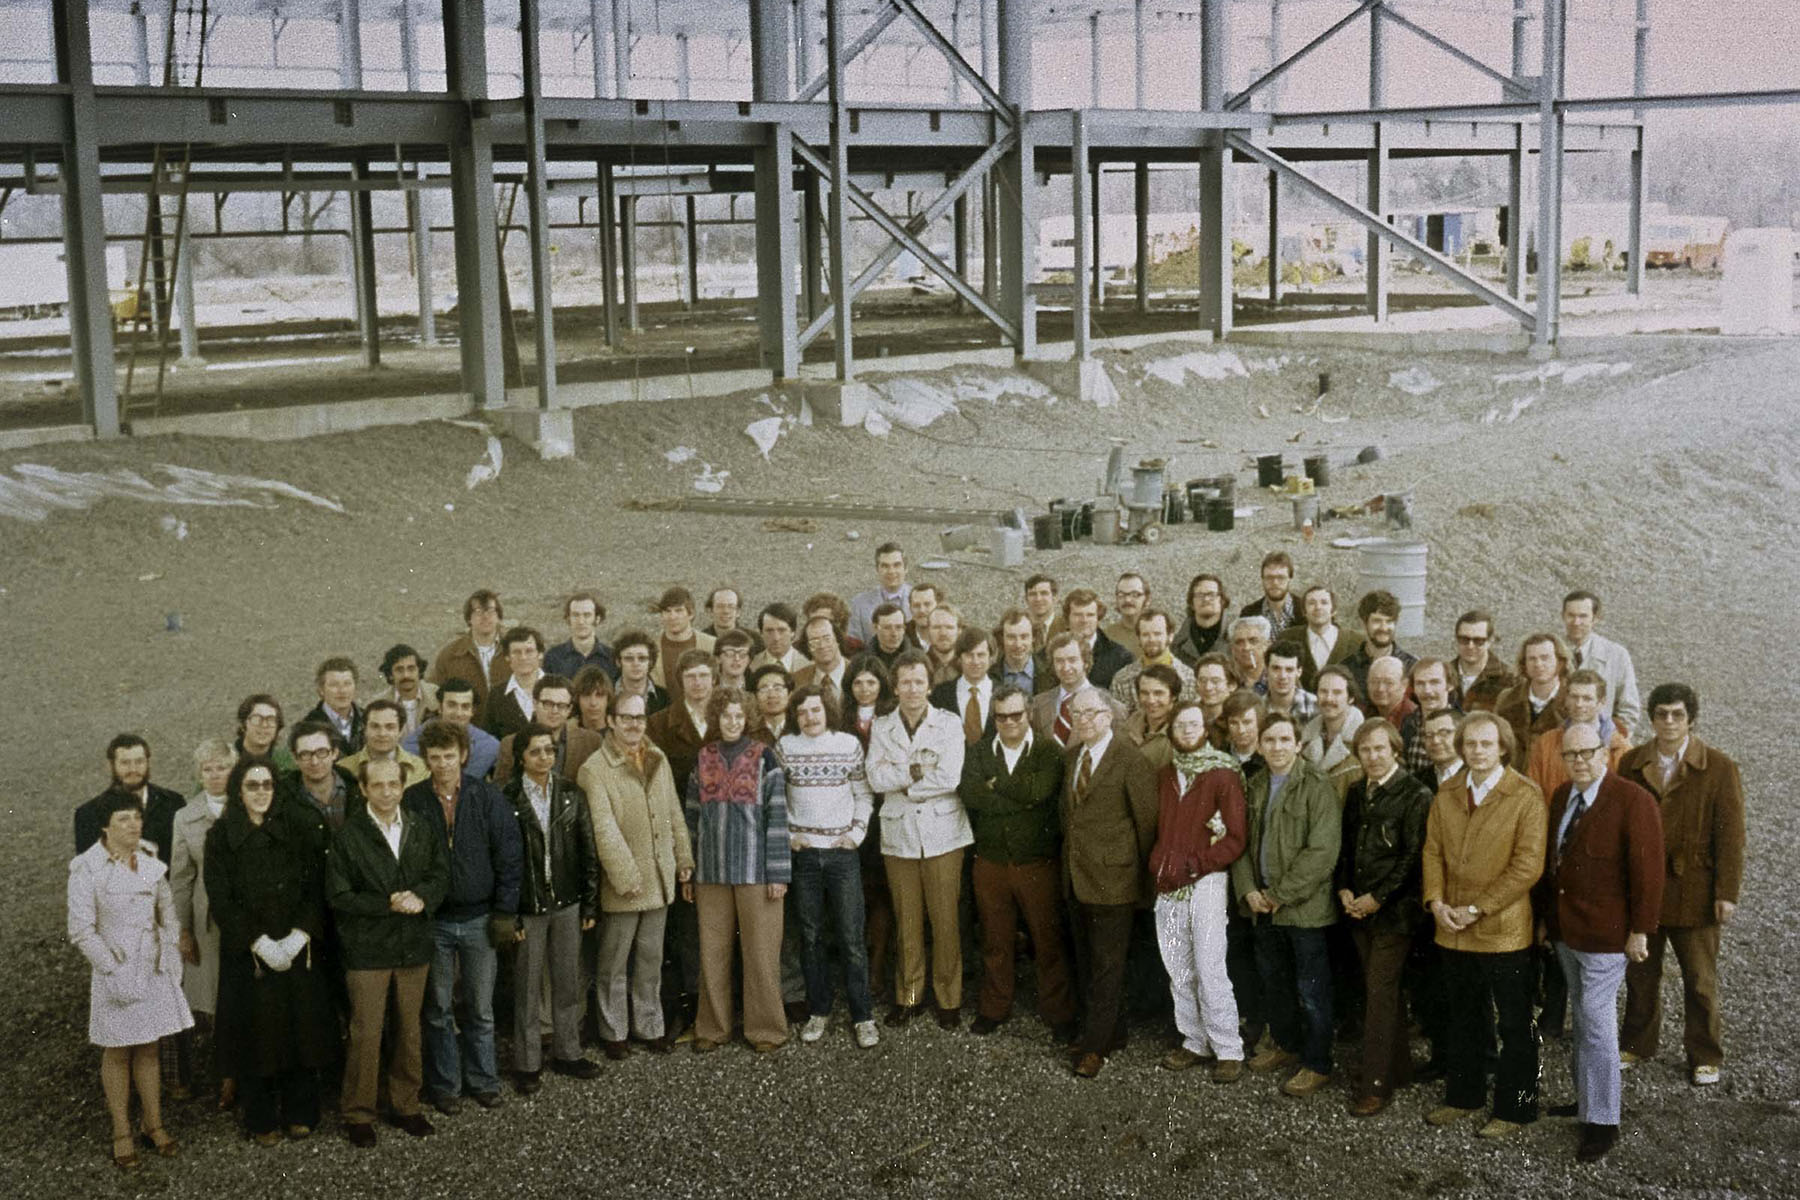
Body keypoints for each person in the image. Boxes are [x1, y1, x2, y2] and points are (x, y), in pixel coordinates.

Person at [1534, 722, 1663, 1163]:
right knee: (1583, 1017)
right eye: (1571, 756)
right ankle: (1586, 1101)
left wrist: (1640, 930)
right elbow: (1555, 865)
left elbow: (1648, 873)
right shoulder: (1560, 797)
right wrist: (1546, 923)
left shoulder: (1633, 801)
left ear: (1606, 753)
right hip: (1568, 932)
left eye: (1588, 753)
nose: (1580, 762)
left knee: (1595, 1020)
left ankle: (1603, 1120)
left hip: (1609, 937)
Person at [1421, 712, 1545, 1140]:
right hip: (1452, 925)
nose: (1477, 751)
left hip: (1503, 929)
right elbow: (1432, 850)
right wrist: (1436, 902)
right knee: (1463, 1018)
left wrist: (1478, 909)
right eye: (1470, 744)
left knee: (1514, 1023)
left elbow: (1527, 866)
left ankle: (1516, 1108)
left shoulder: (1525, 796)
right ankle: (1464, 1096)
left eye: (1486, 744)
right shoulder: (1447, 793)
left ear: (1503, 748)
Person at [204, 756, 337, 1146]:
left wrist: (300, 934)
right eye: (252, 786)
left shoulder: (297, 827)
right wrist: (257, 942)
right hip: (250, 954)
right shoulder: (221, 836)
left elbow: (316, 886)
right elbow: (221, 898)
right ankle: (260, 1118)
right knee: (254, 1035)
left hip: (296, 947)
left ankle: (301, 1111)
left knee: (300, 1030)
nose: (261, 793)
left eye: (267, 785)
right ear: (238, 791)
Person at [1619, 683, 1745, 1087]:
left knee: (1700, 980)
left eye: (1677, 714)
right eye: (1661, 714)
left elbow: (1731, 836)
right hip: (1644, 892)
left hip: (1695, 891)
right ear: (1651, 718)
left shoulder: (1719, 767)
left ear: (1691, 718)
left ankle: (1705, 1054)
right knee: (1641, 975)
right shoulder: (1632, 763)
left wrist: (1727, 892)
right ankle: (1637, 1044)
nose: (1668, 722)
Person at [327, 757, 449, 1148]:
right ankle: (359, 1112)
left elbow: (440, 873)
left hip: (413, 947)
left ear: (402, 784)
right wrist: (387, 904)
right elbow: (339, 895)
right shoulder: (348, 837)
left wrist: (422, 897)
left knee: (409, 1030)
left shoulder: (419, 826)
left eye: (393, 784)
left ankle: (406, 1105)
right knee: (366, 1032)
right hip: (368, 951)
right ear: (363, 789)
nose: (386, 792)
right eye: (377, 785)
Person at [68, 791, 194, 1170]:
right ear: (105, 825)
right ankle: (121, 1131)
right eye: (123, 818)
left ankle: (152, 1124)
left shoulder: (151, 860)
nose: (133, 824)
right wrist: (110, 965)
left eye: (136, 817)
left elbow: (168, 911)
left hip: (152, 966)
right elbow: (80, 929)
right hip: (116, 970)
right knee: (118, 1049)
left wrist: (169, 948)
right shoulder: (87, 868)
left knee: (150, 1047)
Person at [405, 720, 522, 1113]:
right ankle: (446, 1085)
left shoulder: (486, 797)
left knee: (480, 1006)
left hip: (479, 918)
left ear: (464, 755)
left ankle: (484, 1081)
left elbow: (509, 854)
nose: (442, 765)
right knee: (438, 1008)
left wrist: (505, 911)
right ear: (425, 759)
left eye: (449, 756)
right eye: (435, 758)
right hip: (434, 920)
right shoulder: (413, 800)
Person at [578, 692, 694, 1058]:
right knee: (614, 962)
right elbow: (603, 829)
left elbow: (673, 810)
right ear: (611, 720)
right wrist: (626, 877)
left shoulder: (656, 757)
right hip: (625, 884)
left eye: (639, 718)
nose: (633, 725)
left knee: (650, 958)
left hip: (659, 876)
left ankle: (650, 1025)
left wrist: (683, 857)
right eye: (625, 717)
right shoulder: (594, 769)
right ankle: (613, 1031)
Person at [1233, 711, 1341, 1099]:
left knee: (1311, 990)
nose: (1277, 747)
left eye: (1284, 740)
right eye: (1270, 741)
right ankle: (1285, 1043)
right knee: (1274, 982)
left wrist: (1279, 894)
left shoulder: (1316, 784)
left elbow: (1322, 851)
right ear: (1260, 746)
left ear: (1298, 744)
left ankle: (1316, 1063)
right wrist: (1248, 890)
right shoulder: (1256, 784)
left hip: (1303, 908)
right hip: (1262, 907)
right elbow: (1240, 841)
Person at [959, 684, 1074, 1041]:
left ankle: (1059, 1013)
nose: (1008, 722)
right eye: (1001, 716)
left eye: (1015, 715)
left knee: (1047, 939)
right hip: (990, 861)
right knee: (995, 938)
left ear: (1029, 714)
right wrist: (1011, 792)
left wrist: (997, 786)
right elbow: (972, 795)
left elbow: (1038, 793)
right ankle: (994, 1007)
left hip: (1036, 863)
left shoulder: (1048, 751)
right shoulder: (979, 751)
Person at [682, 688, 791, 1053]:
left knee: (760, 953)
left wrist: (778, 873)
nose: (732, 722)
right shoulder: (703, 757)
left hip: (756, 871)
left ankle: (766, 1030)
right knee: (712, 952)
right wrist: (689, 870)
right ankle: (712, 1028)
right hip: (711, 872)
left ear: (748, 719)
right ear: (716, 718)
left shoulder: (765, 758)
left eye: (738, 717)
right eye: (725, 716)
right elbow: (692, 818)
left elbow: (778, 817)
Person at [868, 653, 971, 1029]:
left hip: (944, 834)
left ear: (930, 684)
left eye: (919, 681)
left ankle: (949, 998)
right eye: (905, 682)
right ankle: (908, 996)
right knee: (907, 920)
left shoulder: (948, 723)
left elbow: (950, 777)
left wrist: (902, 784)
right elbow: (874, 779)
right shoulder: (882, 726)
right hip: (899, 837)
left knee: (945, 921)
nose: (912, 689)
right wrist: (914, 770)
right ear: (895, 687)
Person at [1335, 719, 1433, 1116]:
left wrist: (1378, 898)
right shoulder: (1359, 791)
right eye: (1365, 750)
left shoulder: (1415, 794)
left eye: (1379, 749)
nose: (1372, 757)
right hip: (1358, 908)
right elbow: (1347, 846)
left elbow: (1413, 858)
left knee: (1380, 993)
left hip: (1395, 913)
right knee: (1379, 991)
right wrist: (1344, 888)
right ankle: (1399, 1068)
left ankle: (1375, 1084)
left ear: (1395, 749)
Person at [1061, 687, 1159, 1078]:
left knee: (1108, 966)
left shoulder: (1130, 760)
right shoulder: (1073, 758)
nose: (1083, 720)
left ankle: (1095, 1046)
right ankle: (1110, 1031)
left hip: (1114, 879)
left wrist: (1140, 880)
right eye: (1077, 714)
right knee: (1087, 960)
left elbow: (1146, 823)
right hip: (1077, 875)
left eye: (1091, 713)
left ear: (1108, 716)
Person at [1150, 699, 1248, 1083]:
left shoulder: (1222, 773)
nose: (1187, 730)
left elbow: (1236, 837)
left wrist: (1197, 865)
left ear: (1205, 729)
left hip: (1205, 880)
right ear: (1172, 732)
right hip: (1169, 882)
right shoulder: (1166, 775)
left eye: (1194, 724)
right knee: (1179, 968)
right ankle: (1194, 1040)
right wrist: (1158, 864)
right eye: (1180, 725)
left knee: (1210, 966)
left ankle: (1228, 1047)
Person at [500, 724, 601, 1092]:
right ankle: (527, 1064)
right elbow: (503, 861)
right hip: (528, 906)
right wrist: (509, 912)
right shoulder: (508, 797)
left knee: (567, 981)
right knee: (527, 986)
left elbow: (587, 850)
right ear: (521, 757)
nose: (544, 757)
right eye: (535, 751)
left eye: (549, 750)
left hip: (567, 902)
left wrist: (589, 902)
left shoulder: (572, 793)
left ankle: (568, 1053)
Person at [780, 685, 880, 1048]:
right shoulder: (786, 747)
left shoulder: (848, 744)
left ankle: (863, 1015)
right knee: (811, 936)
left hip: (841, 855)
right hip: (805, 855)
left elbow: (863, 793)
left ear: (828, 711)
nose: (810, 718)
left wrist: (855, 834)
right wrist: (791, 833)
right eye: (803, 712)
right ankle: (819, 1010)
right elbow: (778, 798)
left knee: (852, 939)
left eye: (816, 711)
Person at [647, 649, 717, 1040]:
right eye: (690, 677)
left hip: (724, 838)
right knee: (685, 930)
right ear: (679, 681)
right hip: (682, 836)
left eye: (705, 676)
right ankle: (688, 1009)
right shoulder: (660, 724)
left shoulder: (729, 718)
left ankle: (725, 1007)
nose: (698, 684)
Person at [170, 737, 232, 1104]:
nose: (215, 775)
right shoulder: (185, 817)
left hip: (245, 919)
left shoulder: (248, 805)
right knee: (214, 1001)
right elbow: (181, 879)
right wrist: (183, 929)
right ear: (199, 774)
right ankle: (225, 1072)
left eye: (222, 767)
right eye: (208, 769)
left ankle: (239, 1075)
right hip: (206, 921)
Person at [1523, 668, 1630, 803]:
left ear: (1601, 702)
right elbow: (1533, 794)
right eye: (1574, 697)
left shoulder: (1620, 750)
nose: (1579, 704)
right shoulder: (1546, 743)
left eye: (1587, 698)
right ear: (1566, 699)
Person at [75, 734, 186, 863]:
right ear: (111, 765)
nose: (133, 769)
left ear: (148, 763)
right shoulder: (88, 814)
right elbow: (89, 869)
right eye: (125, 763)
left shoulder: (173, 803)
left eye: (139, 761)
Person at [493, 674, 602, 786]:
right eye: (548, 704)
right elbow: (500, 792)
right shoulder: (510, 744)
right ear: (534, 704)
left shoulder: (591, 742)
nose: (555, 711)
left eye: (561, 705)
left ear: (569, 709)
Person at [1560, 590, 1642, 737]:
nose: (1576, 622)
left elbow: (1629, 708)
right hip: (1558, 742)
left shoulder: (1616, 655)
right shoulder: (1550, 651)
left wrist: (1609, 741)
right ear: (1563, 616)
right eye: (1571, 615)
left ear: (1595, 619)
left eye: (1583, 616)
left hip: (1601, 743)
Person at [1030, 632, 1124, 746]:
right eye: (1059, 661)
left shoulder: (1113, 707)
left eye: (1072, 660)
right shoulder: (1037, 704)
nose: (1066, 667)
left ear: (1085, 662)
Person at [427, 588, 512, 713]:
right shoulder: (450, 655)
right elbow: (435, 693)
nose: (485, 616)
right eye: (478, 612)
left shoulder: (514, 650)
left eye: (491, 611)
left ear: (499, 617)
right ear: (468, 619)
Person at [1494, 633, 1569, 768]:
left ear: (1560, 661)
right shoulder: (1507, 699)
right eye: (1532, 659)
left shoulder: (1573, 700)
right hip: (1513, 781)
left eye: (1545, 658)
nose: (1538, 664)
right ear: (1524, 664)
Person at [402, 678, 500, 780]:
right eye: (452, 705)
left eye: (465, 706)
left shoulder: (489, 747)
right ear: (440, 707)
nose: (458, 713)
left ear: (472, 711)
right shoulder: (412, 744)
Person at [1275, 586, 1365, 694]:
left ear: (1334, 610)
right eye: (1311, 603)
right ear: (1304, 611)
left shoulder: (1355, 641)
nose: (1318, 607)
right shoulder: (1288, 638)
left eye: (1324, 602)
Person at [1109, 608, 1197, 711]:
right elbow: (1119, 723)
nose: (1151, 640)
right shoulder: (1122, 680)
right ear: (1139, 638)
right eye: (1145, 634)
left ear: (1170, 636)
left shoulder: (1189, 679)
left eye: (1157, 634)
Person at [1301, 667, 1366, 792]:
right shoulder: (1305, 741)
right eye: (1323, 691)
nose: (1329, 698)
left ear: (1350, 698)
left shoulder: (1363, 740)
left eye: (1337, 692)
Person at [1340, 590, 1415, 697]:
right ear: (1364, 623)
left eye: (1389, 621)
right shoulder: (1347, 668)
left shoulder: (1411, 666)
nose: (1383, 628)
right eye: (1377, 621)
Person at [338, 699, 428, 786]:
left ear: (401, 731)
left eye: (390, 727)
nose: (382, 734)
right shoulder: (343, 768)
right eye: (375, 726)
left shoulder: (421, 769)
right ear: (365, 729)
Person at [929, 627, 996, 743]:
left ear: (990, 657)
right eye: (969, 655)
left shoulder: (1004, 693)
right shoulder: (940, 694)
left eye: (981, 655)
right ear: (959, 658)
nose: (975, 661)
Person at [483, 626, 548, 742]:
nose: (523, 657)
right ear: (507, 657)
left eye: (529, 651)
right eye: (516, 652)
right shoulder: (496, 695)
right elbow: (490, 740)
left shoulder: (559, 688)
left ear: (540, 654)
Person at [1061, 588, 1133, 689]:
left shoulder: (1120, 657)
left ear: (1098, 618)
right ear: (1067, 617)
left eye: (1090, 615)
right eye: (1078, 615)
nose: (1084, 620)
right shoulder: (1048, 654)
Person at [1448, 610, 1515, 713]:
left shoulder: (1510, 680)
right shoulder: (1443, 675)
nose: (1470, 646)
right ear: (1456, 639)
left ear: (1490, 641)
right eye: (1464, 639)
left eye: (1478, 641)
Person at [651, 587, 716, 692]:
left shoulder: (711, 644)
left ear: (691, 614)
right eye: (668, 611)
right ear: (662, 615)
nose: (672, 617)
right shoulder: (651, 647)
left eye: (678, 610)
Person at [848, 542, 913, 648]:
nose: (891, 571)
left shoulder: (921, 601)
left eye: (896, 565)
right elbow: (854, 647)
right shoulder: (859, 604)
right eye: (885, 566)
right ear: (877, 569)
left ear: (905, 568)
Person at [545, 590, 618, 683]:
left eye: (587, 615)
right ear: (568, 619)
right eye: (575, 615)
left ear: (597, 619)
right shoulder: (553, 657)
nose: (581, 621)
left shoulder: (612, 658)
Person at [1123, 664, 1182, 773]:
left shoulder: (1181, 730)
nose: (1151, 700)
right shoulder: (1132, 722)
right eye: (1144, 693)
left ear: (1173, 696)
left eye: (1158, 693)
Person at [1402, 658, 1457, 773]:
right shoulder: (1409, 724)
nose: (1427, 690)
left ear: (1450, 685)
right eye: (1420, 683)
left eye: (1434, 682)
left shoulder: (1463, 724)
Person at [304, 656, 366, 755]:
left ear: (355, 687)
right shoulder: (308, 726)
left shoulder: (368, 719)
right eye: (334, 685)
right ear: (321, 690)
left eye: (347, 684)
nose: (342, 690)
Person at [376, 644, 438, 735]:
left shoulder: (436, 695)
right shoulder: (378, 704)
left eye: (411, 669)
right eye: (399, 670)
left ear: (419, 670)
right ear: (390, 674)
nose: (406, 675)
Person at [1173, 573, 1229, 667]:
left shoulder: (1238, 639)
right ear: (1191, 602)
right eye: (1200, 595)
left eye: (1211, 594)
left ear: (1222, 600)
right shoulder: (1176, 645)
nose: (1206, 599)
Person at [611, 632, 672, 717]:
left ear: (650, 662)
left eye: (642, 658)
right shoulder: (606, 693)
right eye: (629, 658)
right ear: (618, 662)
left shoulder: (664, 697)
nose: (636, 663)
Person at [1241, 551, 1298, 641]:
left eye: (1281, 577)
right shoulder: (1249, 613)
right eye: (1269, 577)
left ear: (1290, 579)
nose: (1275, 582)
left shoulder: (1305, 610)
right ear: (1262, 579)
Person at [993, 607, 1048, 696]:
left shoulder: (1050, 674)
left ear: (1033, 637)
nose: (1018, 644)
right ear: (1001, 638)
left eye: (1024, 637)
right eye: (1011, 637)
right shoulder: (989, 677)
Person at [235, 694, 296, 772]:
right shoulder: (226, 761)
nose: (264, 725)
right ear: (243, 724)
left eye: (270, 719)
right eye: (257, 719)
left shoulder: (288, 765)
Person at [794, 613, 850, 694]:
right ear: (808, 647)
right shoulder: (798, 680)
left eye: (827, 639)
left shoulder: (858, 673)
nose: (822, 646)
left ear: (837, 639)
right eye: (814, 641)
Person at [701, 586, 762, 656]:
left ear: (738, 612)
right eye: (720, 606)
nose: (726, 611)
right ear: (710, 611)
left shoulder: (755, 639)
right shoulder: (701, 641)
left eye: (731, 606)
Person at [1103, 572, 1151, 661]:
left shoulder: (1158, 634)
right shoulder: (1106, 637)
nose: (1127, 600)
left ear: (1147, 599)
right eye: (1121, 595)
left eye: (1135, 595)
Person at [751, 602, 809, 674]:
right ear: (761, 633)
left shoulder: (808, 667)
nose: (776, 638)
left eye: (782, 630)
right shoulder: (750, 666)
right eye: (769, 631)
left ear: (793, 632)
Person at [1262, 644, 1316, 720]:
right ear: (1266, 671)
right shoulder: (1256, 708)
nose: (1282, 676)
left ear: (1299, 672)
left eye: (1289, 669)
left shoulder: (1315, 705)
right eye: (1276, 668)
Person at [748, 663, 795, 745]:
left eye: (778, 688)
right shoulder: (748, 732)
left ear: (790, 694)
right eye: (764, 689)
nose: (772, 695)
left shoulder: (799, 727)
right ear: (755, 697)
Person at [1227, 616, 1272, 694]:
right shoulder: (1227, 680)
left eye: (1253, 641)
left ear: (1266, 645)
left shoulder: (1278, 677)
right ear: (1232, 648)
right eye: (1239, 642)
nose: (1246, 647)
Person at [572, 666, 615, 735]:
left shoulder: (619, 735)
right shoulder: (566, 735)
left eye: (599, 695)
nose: (593, 703)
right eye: (586, 695)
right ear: (577, 698)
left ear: (608, 698)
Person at [1023, 573, 1060, 650]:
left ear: (1055, 598)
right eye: (1033, 594)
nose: (1038, 599)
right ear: (1026, 599)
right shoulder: (1019, 629)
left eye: (1044, 593)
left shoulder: (1067, 628)